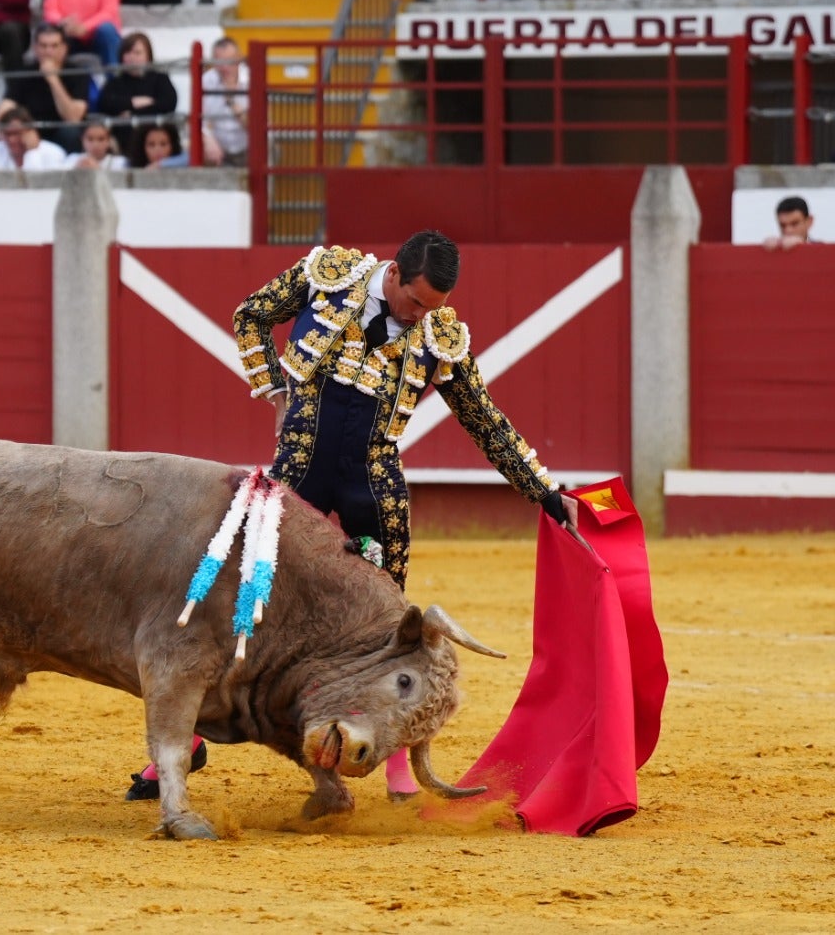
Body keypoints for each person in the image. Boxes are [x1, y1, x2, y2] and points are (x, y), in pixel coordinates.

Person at [121, 232, 578, 804]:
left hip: (373, 493)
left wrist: (545, 491)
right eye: (415, 303)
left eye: (431, 309)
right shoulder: (326, 277)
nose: (420, 319)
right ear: (393, 274)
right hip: (294, 484)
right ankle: (184, 738)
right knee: (236, 605)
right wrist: (275, 394)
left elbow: (484, 419)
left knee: (389, 633)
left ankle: (391, 762)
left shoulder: (439, 335)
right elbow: (251, 315)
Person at [0, 22, 90, 153]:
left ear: (64, 48)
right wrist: (5, 128)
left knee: (71, 132)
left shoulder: (77, 73)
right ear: (35, 48)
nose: (48, 51)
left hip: (61, 132)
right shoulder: (25, 73)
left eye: (54, 46)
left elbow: (73, 117)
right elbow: (6, 107)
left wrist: (53, 79)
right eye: (43, 46)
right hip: (29, 131)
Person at [97, 31, 175, 147]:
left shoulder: (160, 79)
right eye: (128, 52)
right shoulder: (115, 82)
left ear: (148, 56)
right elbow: (105, 103)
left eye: (137, 53)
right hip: (123, 138)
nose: (132, 57)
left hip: (153, 134)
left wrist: (133, 113)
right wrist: (134, 102)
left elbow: (168, 103)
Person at [200, 34, 247, 167]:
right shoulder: (206, 81)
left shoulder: (252, 80)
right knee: (199, 151)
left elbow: (254, 126)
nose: (225, 67)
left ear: (238, 59)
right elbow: (197, 120)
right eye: (220, 62)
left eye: (229, 61)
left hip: (249, 149)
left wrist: (231, 100)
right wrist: (208, 139)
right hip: (218, 151)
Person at [0, 104, 66, 169]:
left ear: (30, 132)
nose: (11, 139)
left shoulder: (53, 152)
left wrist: (32, 152)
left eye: (16, 133)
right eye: (7, 134)